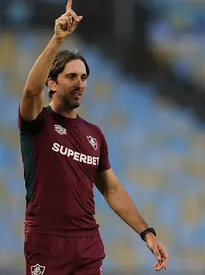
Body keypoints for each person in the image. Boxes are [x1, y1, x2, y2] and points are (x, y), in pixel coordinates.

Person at [18, 1, 169, 274]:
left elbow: (111, 189)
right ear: (51, 83)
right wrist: (57, 40)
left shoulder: (94, 135)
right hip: (47, 241)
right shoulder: (38, 124)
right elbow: (30, 93)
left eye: (84, 77)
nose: (80, 83)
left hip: (87, 244)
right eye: (72, 76)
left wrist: (146, 232)